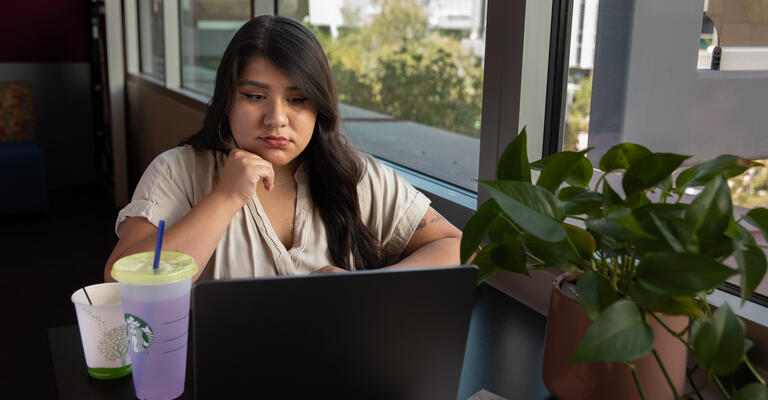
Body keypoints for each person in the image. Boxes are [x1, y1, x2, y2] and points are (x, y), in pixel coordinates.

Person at [104, 15, 461, 283]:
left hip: (339, 370)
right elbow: (119, 282)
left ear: (318, 107)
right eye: (255, 96)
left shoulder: (357, 176)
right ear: (227, 100)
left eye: (297, 99)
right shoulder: (178, 172)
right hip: (220, 371)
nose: (276, 118)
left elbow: (458, 246)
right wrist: (224, 199)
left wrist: (368, 287)